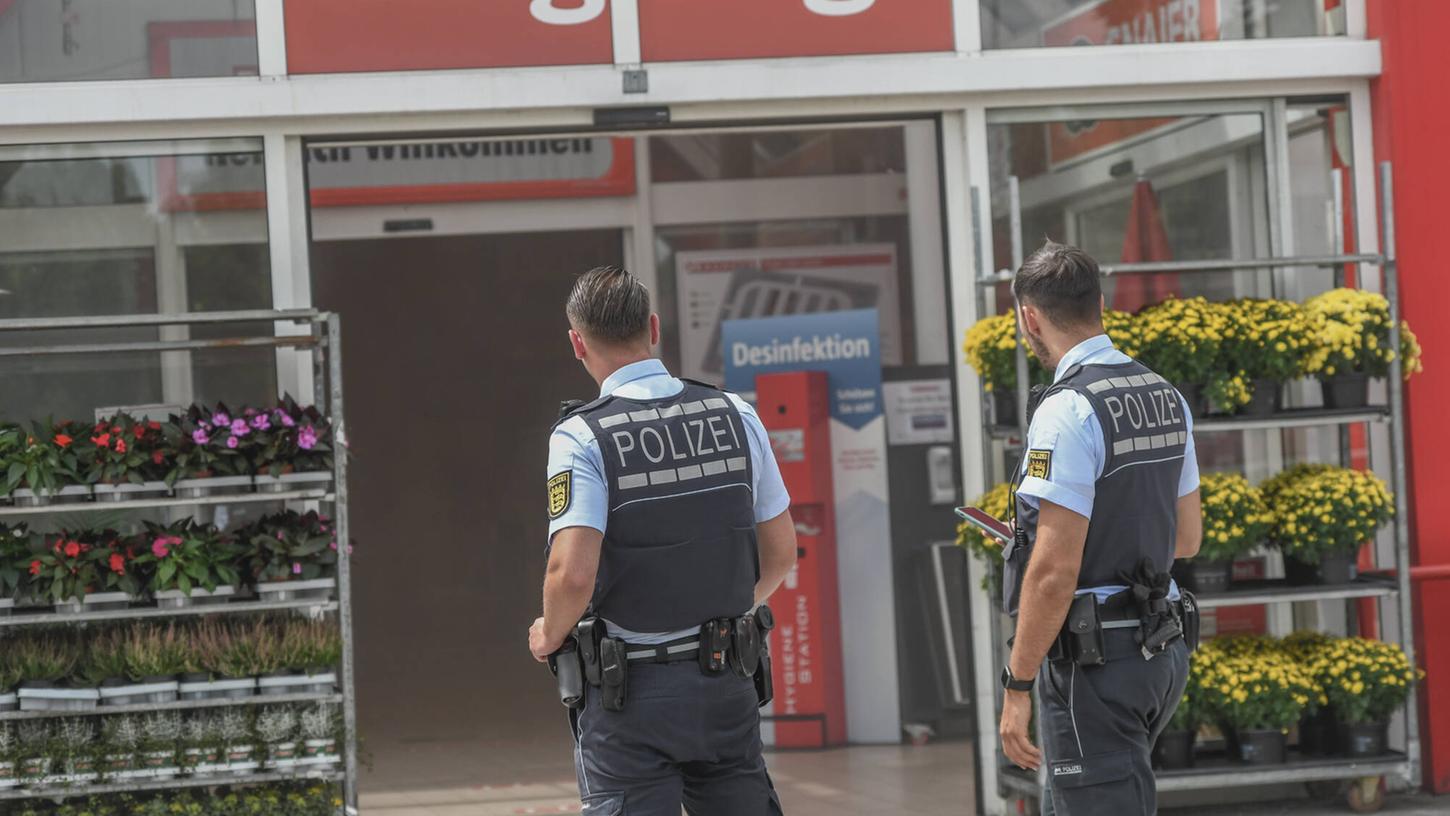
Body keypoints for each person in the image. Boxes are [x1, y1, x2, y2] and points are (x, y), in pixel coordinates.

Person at [528, 264, 798, 816]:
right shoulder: (735, 414)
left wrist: (548, 634)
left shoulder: (581, 436)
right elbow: (780, 554)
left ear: (577, 343)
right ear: (654, 327)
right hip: (726, 683)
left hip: (630, 699)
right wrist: (718, 615)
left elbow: (571, 575)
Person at [996, 242, 1202, 815]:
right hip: (1159, 649)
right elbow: (1185, 539)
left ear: (1028, 318)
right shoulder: (1166, 396)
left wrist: (1017, 685)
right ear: (1101, 304)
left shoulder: (1066, 410)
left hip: (1096, 663)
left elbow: (1052, 575)